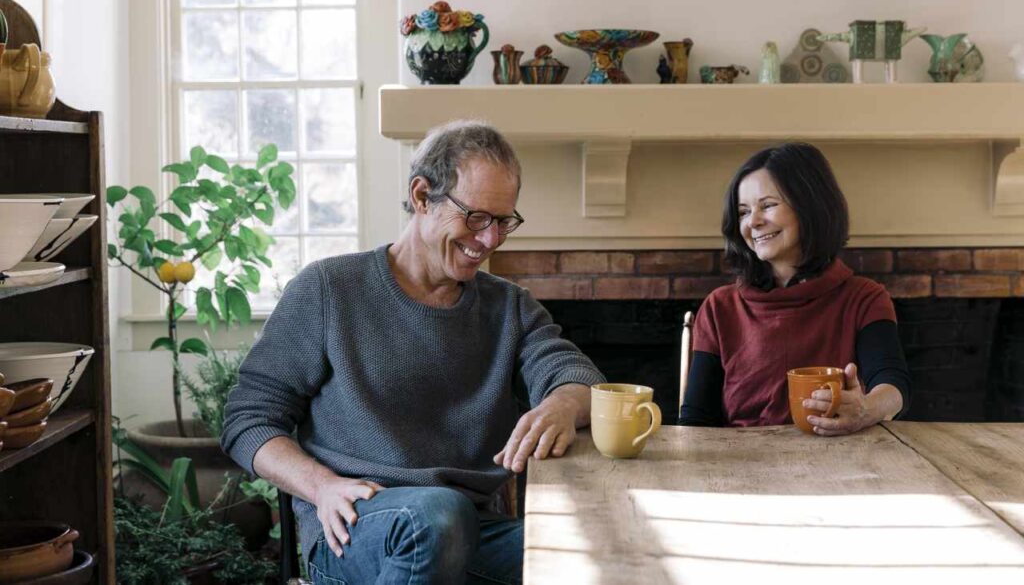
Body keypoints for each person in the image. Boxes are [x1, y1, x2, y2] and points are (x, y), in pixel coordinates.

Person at [221, 120, 605, 584]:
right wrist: (321, 486)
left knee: (588, 553)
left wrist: (563, 404)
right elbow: (248, 419)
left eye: (503, 221)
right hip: (355, 528)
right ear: (422, 196)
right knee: (436, 518)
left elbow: (579, 379)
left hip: (470, 532)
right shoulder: (329, 290)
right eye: (476, 217)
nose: (490, 240)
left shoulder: (510, 308)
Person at [679, 142, 911, 435]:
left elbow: (893, 385)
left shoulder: (864, 298)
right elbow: (696, 420)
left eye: (768, 205)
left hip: (837, 457)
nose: (753, 222)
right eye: (743, 212)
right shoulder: (719, 307)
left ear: (810, 206)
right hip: (741, 459)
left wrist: (866, 408)